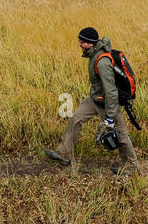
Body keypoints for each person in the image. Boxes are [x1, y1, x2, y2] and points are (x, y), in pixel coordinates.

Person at [45, 27, 139, 175]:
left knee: (120, 135)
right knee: (76, 118)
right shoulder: (93, 55)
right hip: (95, 99)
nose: (79, 44)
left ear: (90, 43)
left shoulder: (102, 62)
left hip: (108, 103)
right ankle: (64, 153)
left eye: (82, 42)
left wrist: (109, 116)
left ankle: (132, 168)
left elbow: (111, 91)